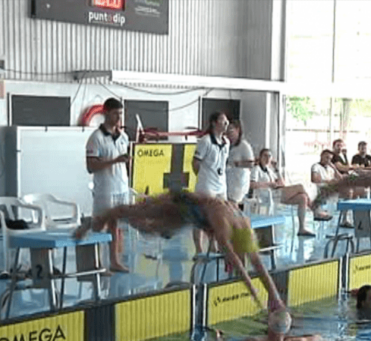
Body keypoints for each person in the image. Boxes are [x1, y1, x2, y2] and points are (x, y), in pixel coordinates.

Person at [74, 190, 285, 311]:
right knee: (135, 213)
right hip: (180, 204)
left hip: (189, 217)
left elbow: (257, 266)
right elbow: (235, 261)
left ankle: (99, 221)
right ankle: (94, 221)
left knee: (149, 230)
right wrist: (254, 292)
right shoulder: (225, 226)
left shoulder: (244, 230)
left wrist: (275, 298)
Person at [86, 97, 131, 273]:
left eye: (120, 114)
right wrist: (114, 161)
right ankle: (95, 263)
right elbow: (91, 166)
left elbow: (122, 162)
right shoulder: (95, 138)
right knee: (99, 225)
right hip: (105, 189)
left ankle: (114, 261)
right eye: (115, 113)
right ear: (106, 113)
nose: (118, 117)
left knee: (115, 225)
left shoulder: (124, 138)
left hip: (120, 187)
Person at [251, 149, 330, 237]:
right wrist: (269, 184)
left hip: (277, 192)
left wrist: (276, 169)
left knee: (302, 197)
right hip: (266, 195)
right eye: (265, 156)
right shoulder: (256, 169)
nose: (267, 158)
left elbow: (282, 183)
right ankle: (315, 210)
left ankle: (302, 228)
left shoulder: (270, 170)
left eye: (269, 156)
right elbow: (252, 184)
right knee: (300, 186)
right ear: (260, 157)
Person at [192, 112, 230, 254]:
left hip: (221, 185)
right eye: (223, 120)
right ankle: (198, 249)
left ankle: (213, 245)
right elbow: (195, 163)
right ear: (214, 123)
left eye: (227, 121)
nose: (226, 123)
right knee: (201, 217)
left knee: (219, 217)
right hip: (206, 184)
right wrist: (203, 178)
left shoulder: (226, 142)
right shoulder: (205, 141)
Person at [225, 120, 255, 207]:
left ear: (238, 130)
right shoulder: (227, 145)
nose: (228, 134)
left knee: (233, 206)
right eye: (227, 132)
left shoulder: (244, 145)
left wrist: (237, 164)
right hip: (228, 180)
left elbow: (251, 163)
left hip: (238, 182)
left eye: (231, 131)